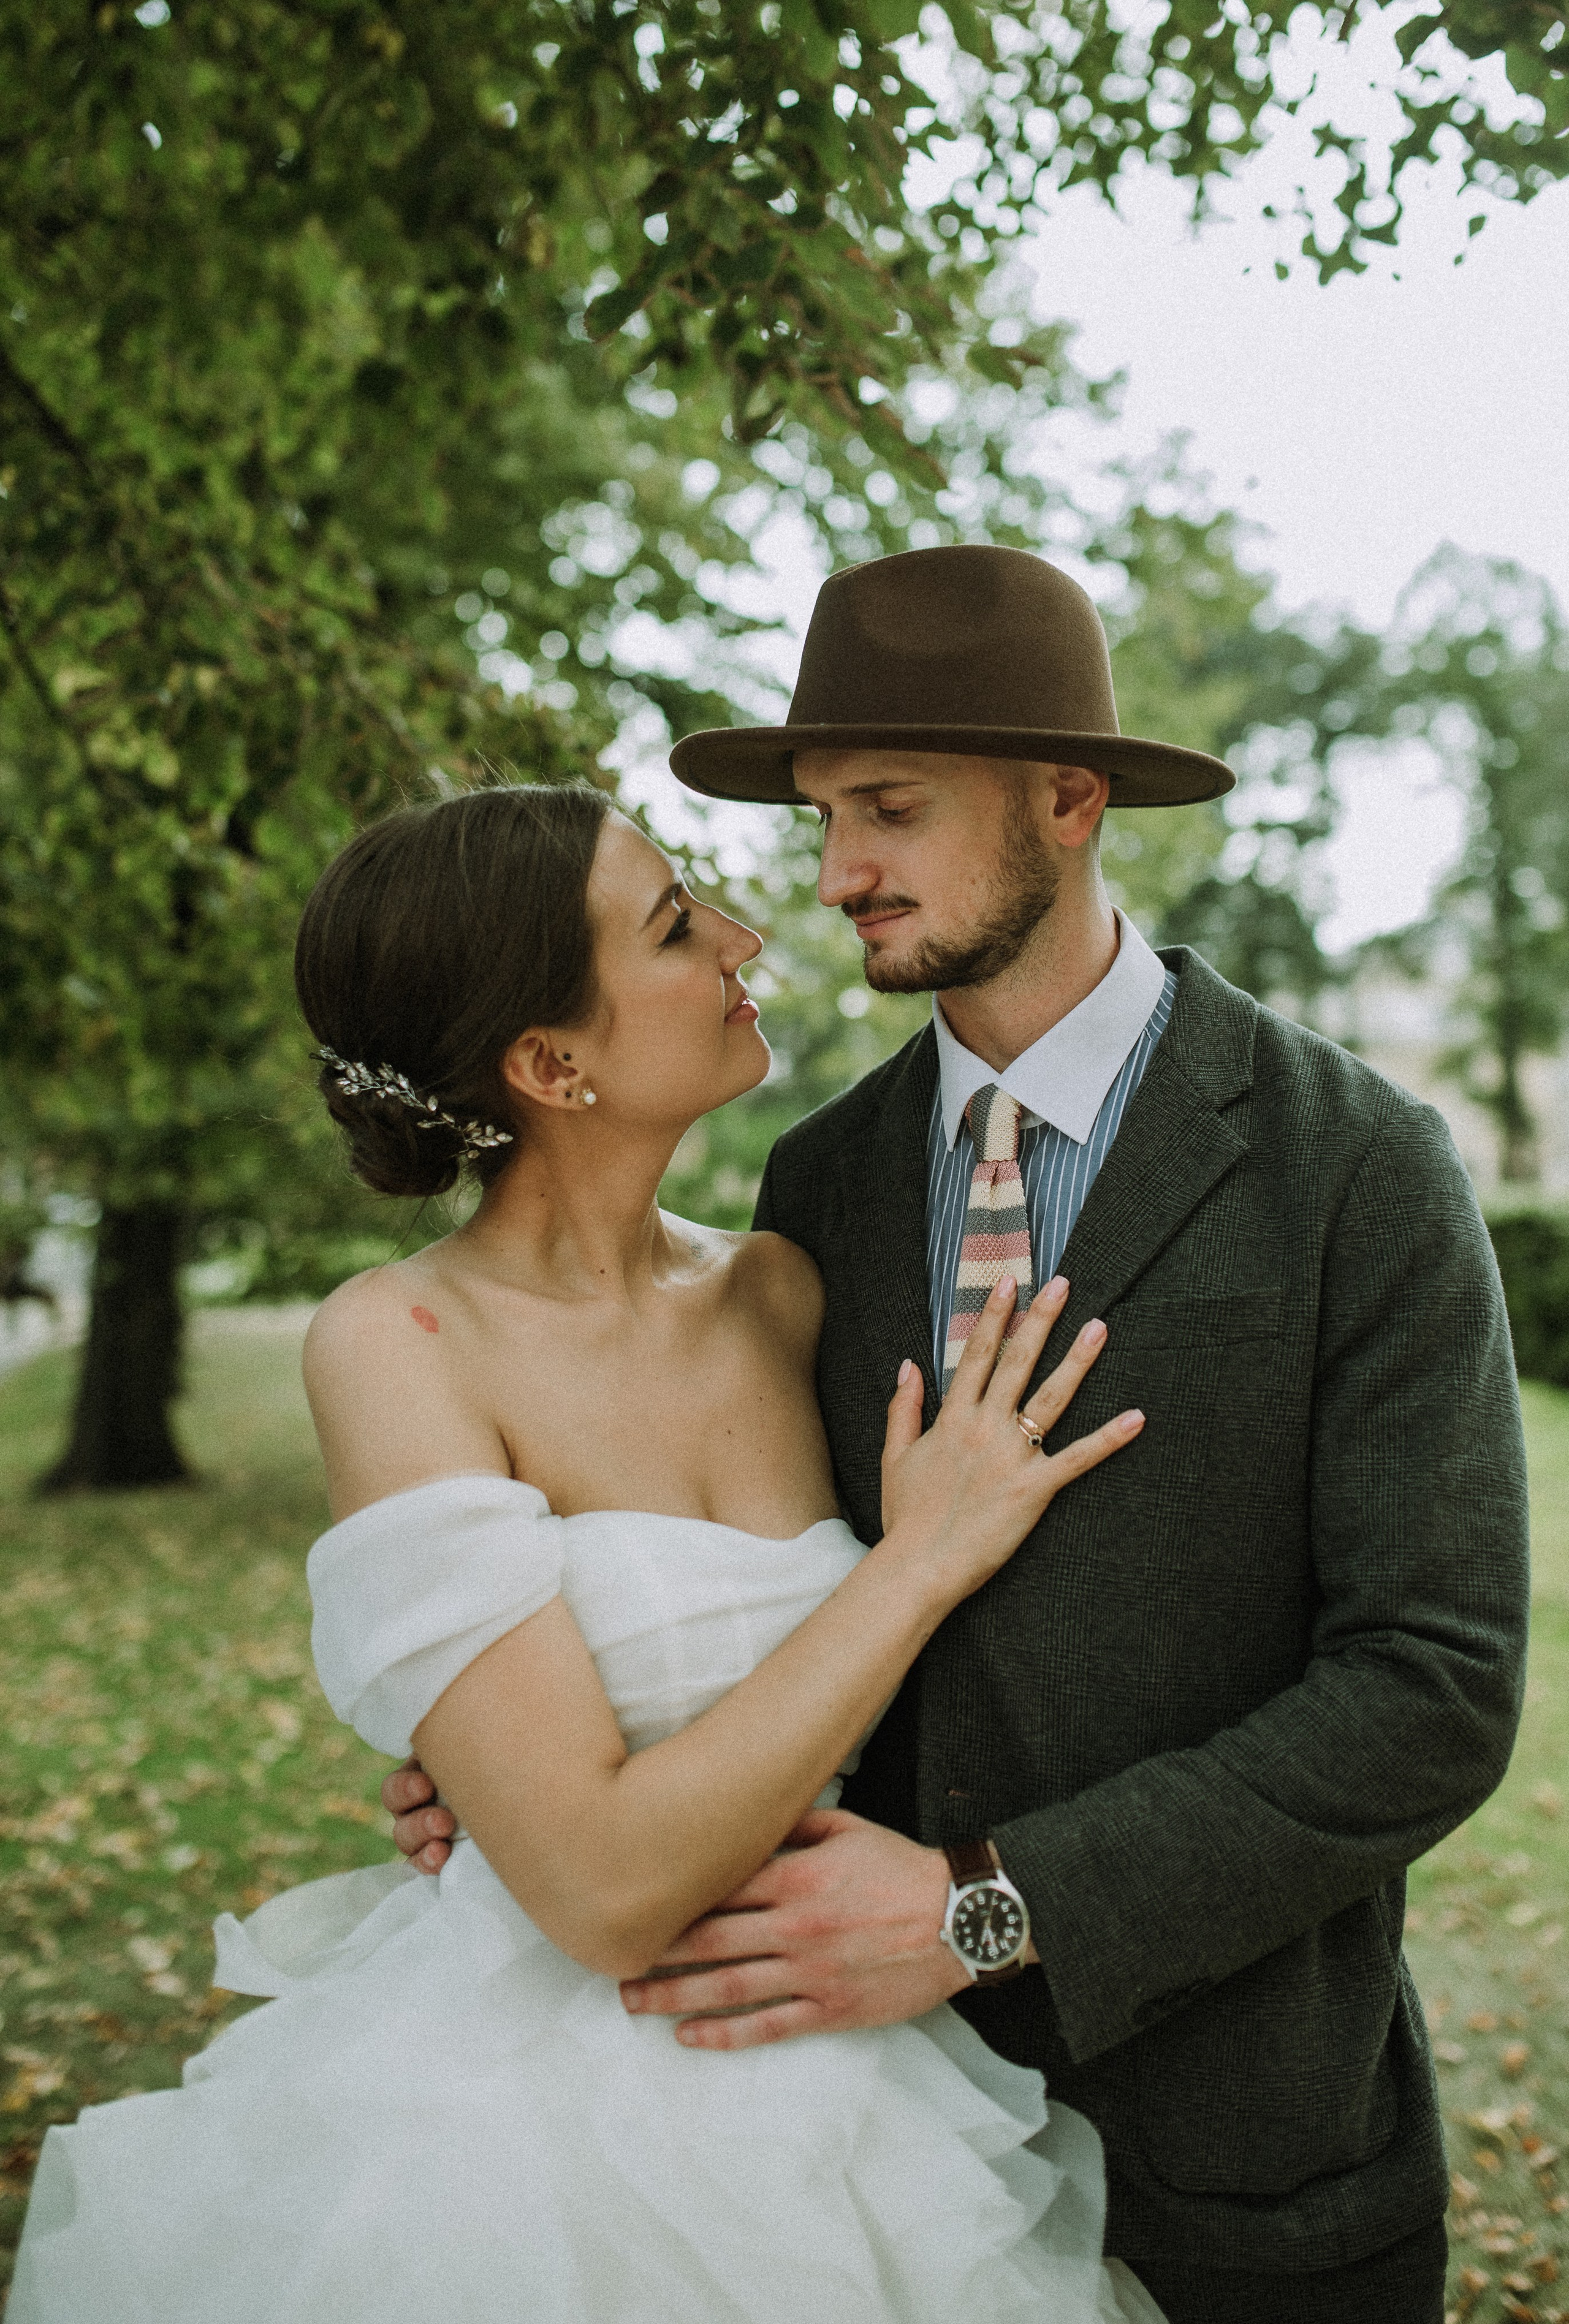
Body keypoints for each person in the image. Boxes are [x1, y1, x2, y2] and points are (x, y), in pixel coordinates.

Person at [386, 546, 1532, 2324]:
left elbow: (1433, 1687)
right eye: (829, 815)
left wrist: (988, 1911)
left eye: (893, 812)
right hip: (846, 2165)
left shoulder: (1358, 1163)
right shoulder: (815, 1187)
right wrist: (543, 1755)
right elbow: (770, 1574)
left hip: (1242, 2156)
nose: (838, 874)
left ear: (1070, 802)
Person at [10, 777, 1166, 2323]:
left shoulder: (783, 1290)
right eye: (678, 928)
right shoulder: (401, 1339)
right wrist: (912, 1560)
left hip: (856, 2067)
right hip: (530, 2131)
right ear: (551, 1061)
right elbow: (605, 1892)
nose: (750, 935)